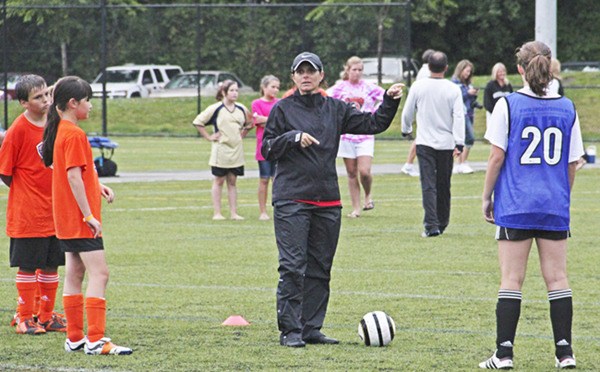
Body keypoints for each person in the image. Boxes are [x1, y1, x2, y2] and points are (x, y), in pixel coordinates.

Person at [262, 52, 403, 347]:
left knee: (320, 267)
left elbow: (374, 124)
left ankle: (311, 328)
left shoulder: (335, 109)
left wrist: (389, 101)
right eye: (300, 71)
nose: (305, 76)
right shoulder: (282, 109)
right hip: (291, 199)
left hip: (327, 200)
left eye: (310, 71)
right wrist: (293, 137)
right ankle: (290, 330)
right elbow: (268, 149)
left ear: (321, 75)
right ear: (293, 77)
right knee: (292, 265)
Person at [479, 41, 583, 370]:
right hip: (554, 203)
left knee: (512, 279)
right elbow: (572, 162)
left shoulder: (507, 105)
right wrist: (560, 194)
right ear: (551, 67)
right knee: (557, 278)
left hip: (516, 202)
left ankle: (504, 354)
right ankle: (565, 353)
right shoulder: (568, 107)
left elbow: (497, 157)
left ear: (520, 69)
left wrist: (486, 196)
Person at [41, 76, 132, 355]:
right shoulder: (74, 134)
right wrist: (89, 215)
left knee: (75, 273)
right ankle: (95, 339)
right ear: (72, 103)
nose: (90, 106)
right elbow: (72, 177)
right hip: (79, 218)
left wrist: (98, 185)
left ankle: (75, 337)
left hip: (65, 217)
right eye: (87, 100)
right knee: (100, 274)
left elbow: (78, 173)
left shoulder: (61, 131)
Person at [0, 75, 67, 335]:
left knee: (51, 263)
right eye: (38, 97)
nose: (46, 101)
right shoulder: (17, 130)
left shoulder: (54, 123)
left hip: (55, 209)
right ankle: (24, 317)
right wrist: (27, 191)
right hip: (28, 212)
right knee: (28, 264)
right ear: (23, 103)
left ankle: (46, 316)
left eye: (47, 95)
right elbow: (5, 171)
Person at [401, 51, 465, 238]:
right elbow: (459, 116)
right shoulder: (453, 89)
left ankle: (431, 224)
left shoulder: (418, 86)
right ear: (446, 68)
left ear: (428, 67)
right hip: (446, 143)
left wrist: (406, 129)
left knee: (428, 184)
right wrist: (459, 141)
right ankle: (443, 221)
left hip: (425, 142)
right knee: (444, 184)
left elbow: (407, 111)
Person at [327, 56, 385, 218]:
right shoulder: (340, 88)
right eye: (354, 70)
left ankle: (368, 195)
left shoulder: (368, 87)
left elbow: (385, 97)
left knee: (364, 171)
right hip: (346, 136)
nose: (357, 73)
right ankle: (356, 208)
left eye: (360, 70)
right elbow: (326, 99)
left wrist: (374, 113)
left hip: (365, 134)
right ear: (348, 70)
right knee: (351, 172)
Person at [193, 80, 252, 220]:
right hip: (221, 151)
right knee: (219, 181)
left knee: (232, 182)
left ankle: (234, 213)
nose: (235, 93)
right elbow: (198, 122)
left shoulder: (241, 109)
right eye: (231, 90)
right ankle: (217, 213)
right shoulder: (216, 108)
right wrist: (209, 137)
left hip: (236, 151)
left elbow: (250, 124)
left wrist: (241, 135)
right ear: (224, 92)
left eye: (236, 90)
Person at [401, 49, 435, 177]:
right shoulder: (427, 72)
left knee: (422, 137)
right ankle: (408, 164)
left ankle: (410, 164)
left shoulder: (423, 71)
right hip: (426, 109)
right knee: (421, 137)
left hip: (424, 108)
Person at [251, 75, 280, 221]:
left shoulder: (280, 103)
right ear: (264, 87)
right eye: (272, 87)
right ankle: (263, 211)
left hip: (278, 146)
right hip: (263, 147)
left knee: (278, 179)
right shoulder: (256, 103)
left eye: (277, 87)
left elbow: (279, 121)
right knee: (264, 179)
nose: (275, 90)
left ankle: (279, 209)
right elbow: (258, 121)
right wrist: (271, 120)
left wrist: (267, 119)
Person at [451, 59, 479, 174]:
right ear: (461, 70)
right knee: (467, 138)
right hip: (460, 114)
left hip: (469, 112)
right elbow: (456, 98)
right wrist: (468, 93)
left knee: (467, 139)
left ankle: (462, 162)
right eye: (466, 71)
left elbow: (468, 100)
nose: (468, 74)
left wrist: (474, 98)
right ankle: (459, 163)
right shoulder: (454, 83)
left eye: (469, 72)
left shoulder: (467, 84)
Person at [483, 63, 513, 128]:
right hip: (493, 115)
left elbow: (512, 100)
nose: (502, 73)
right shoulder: (490, 85)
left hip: (506, 115)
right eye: (500, 72)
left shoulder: (508, 85)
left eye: (503, 71)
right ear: (495, 73)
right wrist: (496, 113)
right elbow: (487, 103)